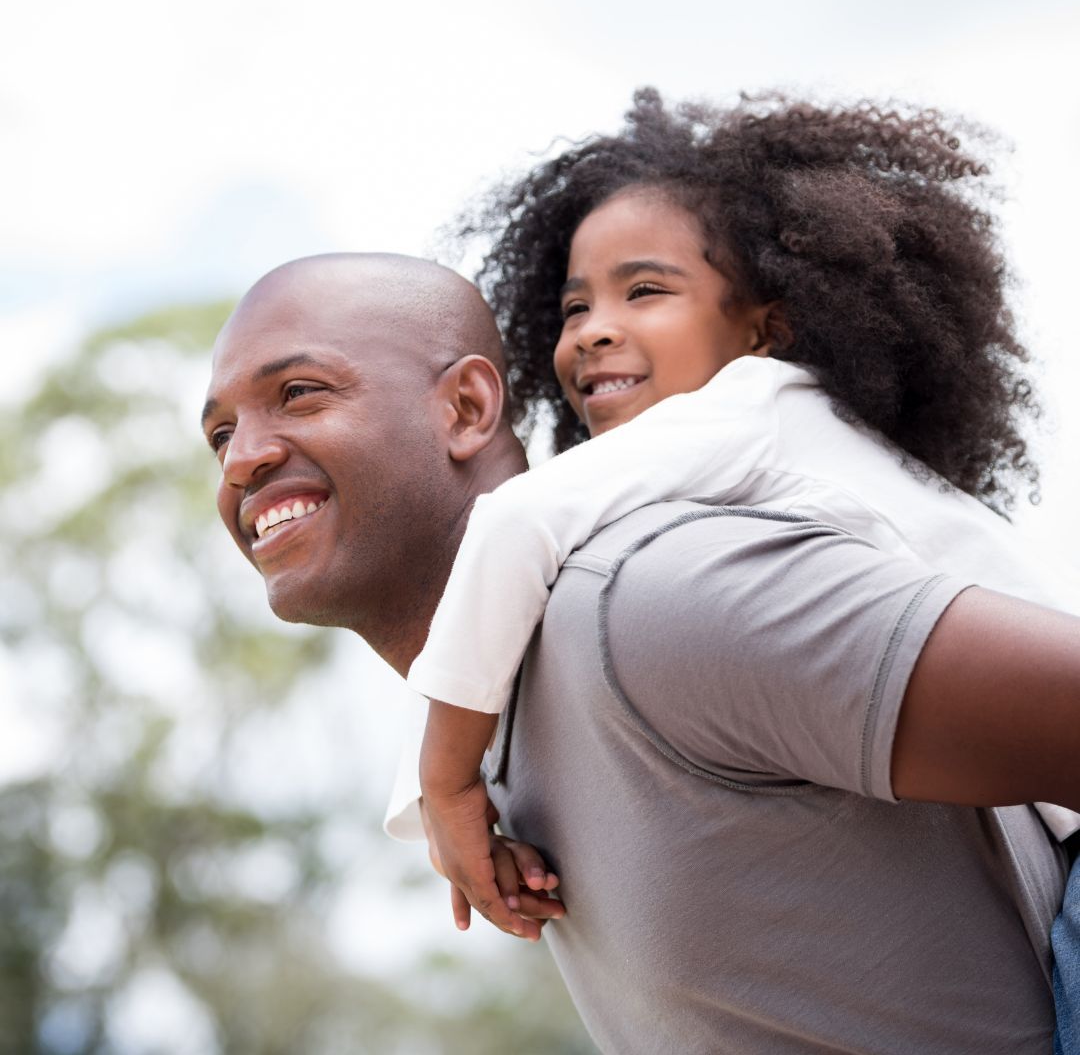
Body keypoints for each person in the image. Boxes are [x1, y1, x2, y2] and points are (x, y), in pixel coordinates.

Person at [204, 251, 1079, 1052]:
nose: (242, 460)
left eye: (300, 394)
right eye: (217, 436)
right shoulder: (487, 740)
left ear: (466, 408)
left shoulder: (648, 601)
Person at [397, 92, 1080, 946]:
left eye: (644, 291)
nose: (594, 333)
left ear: (764, 332)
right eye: (575, 309)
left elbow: (514, 524)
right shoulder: (743, 468)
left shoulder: (752, 403)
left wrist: (446, 786)